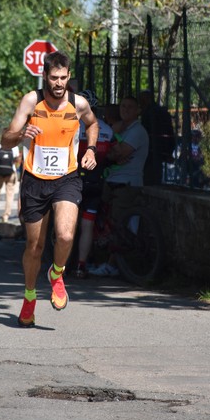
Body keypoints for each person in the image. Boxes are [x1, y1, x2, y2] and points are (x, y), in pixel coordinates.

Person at [1, 51, 99, 327]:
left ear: (69, 77)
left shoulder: (78, 104)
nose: (58, 83)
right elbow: (6, 139)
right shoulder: (32, 101)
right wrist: (21, 134)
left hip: (66, 178)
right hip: (34, 180)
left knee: (66, 235)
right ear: (45, 75)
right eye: (54, 77)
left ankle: (57, 274)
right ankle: (30, 298)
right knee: (35, 246)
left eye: (63, 78)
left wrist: (90, 149)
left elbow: (93, 124)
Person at [89, 95, 149, 276]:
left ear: (138, 110)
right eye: (123, 106)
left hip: (127, 182)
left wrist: (110, 150)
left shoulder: (137, 131)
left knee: (118, 225)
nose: (126, 109)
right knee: (106, 223)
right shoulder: (120, 128)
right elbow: (112, 154)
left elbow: (118, 153)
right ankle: (103, 260)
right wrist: (112, 150)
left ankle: (113, 265)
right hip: (113, 180)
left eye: (130, 107)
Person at [75, 90, 114, 278]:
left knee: (67, 223)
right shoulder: (107, 129)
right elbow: (115, 154)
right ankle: (81, 265)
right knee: (87, 225)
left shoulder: (73, 126)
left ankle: (60, 263)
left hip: (73, 181)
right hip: (96, 181)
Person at [139, 89, 175, 185]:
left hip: (152, 147)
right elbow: (170, 131)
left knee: (150, 173)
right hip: (158, 148)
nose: (140, 103)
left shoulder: (150, 112)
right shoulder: (159, 111)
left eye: (142, 99)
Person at [0, 142, 20, 224]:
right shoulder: (15, 147)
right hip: (11, 172)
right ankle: (6, 216)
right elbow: (17, 159)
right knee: (10, 195)